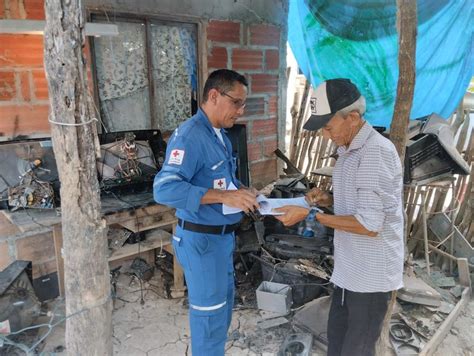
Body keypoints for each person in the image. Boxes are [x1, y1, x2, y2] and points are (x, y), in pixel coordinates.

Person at [275, 78, 404, 356]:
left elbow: (370, 225)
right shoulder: (349, 150)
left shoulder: (375, 153)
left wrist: (311, 215)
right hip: (350, 271)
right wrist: (328, 201)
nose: (325, 134)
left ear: (353, 117)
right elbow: (362, 207)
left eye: (329, 126)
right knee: (337, 340)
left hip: (370, 277)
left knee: (356, 349)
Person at [153, 69, 259, 356]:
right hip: (201, 242)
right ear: (214, 96)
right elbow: (164, 190)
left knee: (222, 311)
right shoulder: (190, 136)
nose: (241, 110)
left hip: (221, 240)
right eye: (236, 102)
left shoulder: (220, 136)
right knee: (209, 319)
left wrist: (246, 192)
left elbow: (221, 182)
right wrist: (226, 196)